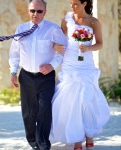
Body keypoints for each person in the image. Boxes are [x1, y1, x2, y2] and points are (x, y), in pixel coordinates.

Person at [49, 0, 110, 150]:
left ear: (84, 3)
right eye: (71, 3)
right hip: (69, 63)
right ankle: (77, 138)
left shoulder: (94, 22)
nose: (72, 6)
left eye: (76, 3)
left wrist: (88, 48)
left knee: (86, 98)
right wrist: (55, 46)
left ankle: (89, 134)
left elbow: (100, 43)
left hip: (86, 63)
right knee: (72, 99)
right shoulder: (67, 20)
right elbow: (58, 40)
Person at [9, 0, 67, 150]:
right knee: (29, 111)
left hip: (46, 77)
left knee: (44, 109)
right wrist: (13, 72)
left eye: (39, 11)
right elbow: (14, 53)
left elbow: (62, 51)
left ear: (45, 12)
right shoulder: (21, 29)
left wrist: (52, 65)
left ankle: (43, 142)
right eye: (32, 11)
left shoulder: (53, 29)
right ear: (28, 11)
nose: (35, 14)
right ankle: (32, 140)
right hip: (26, 75)